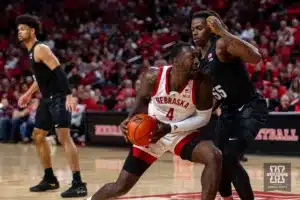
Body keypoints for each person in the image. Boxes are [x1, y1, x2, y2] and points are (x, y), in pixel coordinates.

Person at [86, 43, 222, 200]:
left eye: (198, 57)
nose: (197, 61)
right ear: (176, 61)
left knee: (214, 156)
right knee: (120, 187)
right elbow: (142, 101)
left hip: (181, 133)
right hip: (151, 131)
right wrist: (130, 119)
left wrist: (171, 128)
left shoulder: (202, 83)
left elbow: (203, 118)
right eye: (192, 57)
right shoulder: (153, 76)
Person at [191, 10, 268, 200]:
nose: (194, 33)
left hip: (248, 107)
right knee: (216, 159)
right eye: (192, 29)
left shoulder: (221, 45)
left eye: (199, 28)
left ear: (211, 29)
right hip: (227, 112)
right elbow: (217, 93)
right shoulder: (199, 60)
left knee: (230, 157)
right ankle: (227, 198)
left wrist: (224, 31)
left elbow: (256, 57)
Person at [16, 14, 87, 198]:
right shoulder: (31, 51)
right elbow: (41, 79)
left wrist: (69, 95)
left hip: (59, 97)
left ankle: (78, 184)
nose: (20, 32)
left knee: (64, 138)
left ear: (32, 31)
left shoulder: (41, 48)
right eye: (18, 29)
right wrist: (28, 94)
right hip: (47, 99)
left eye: (23, 29)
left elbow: (59, 71)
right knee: (38, 135)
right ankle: (49, 179)